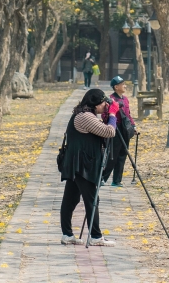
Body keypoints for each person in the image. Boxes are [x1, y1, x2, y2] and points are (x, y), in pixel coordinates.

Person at [59, 88, 118, 246]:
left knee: (71, 199)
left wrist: (107, 115)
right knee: (92, 199)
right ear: (95, 104)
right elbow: (109, 132)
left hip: (78, 163)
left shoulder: (85, 114)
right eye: (103, 103)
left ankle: (67, 234)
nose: (105, 105)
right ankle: (96, 237)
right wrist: (112, 115)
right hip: (83, 165)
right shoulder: (85, 117)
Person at [103, 75, 137, 187]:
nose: (125, 86)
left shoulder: (125, 99)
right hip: (115, 129)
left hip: (125, 130)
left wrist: (133, 126)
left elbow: (128, 115)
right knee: (112, 155)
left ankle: (117, 180)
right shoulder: (110, 99)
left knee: (123, 154)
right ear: (116, 87)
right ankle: (102, 178)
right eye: (122, 84)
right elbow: (104, 115)